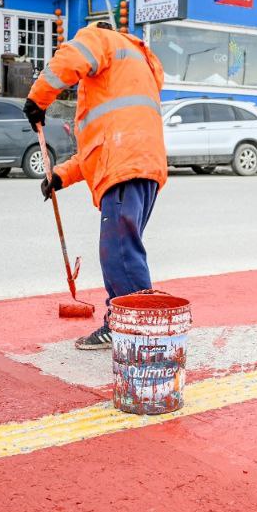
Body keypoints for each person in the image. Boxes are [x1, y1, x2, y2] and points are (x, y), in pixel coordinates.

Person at [24, 22, 168, 349]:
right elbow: (93, 152)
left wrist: (38, 99)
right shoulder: (130, 68)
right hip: (141, 165)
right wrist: (60, 176)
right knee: (123, 249)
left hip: (123, 164)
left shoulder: (100, 38)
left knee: (119, 252)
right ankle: (124, 322)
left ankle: (139, 328)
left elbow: (71, 57)